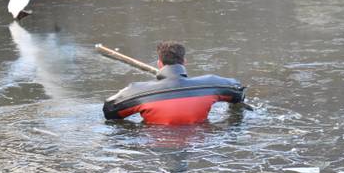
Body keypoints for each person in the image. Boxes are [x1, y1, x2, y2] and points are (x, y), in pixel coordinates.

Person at [103, 41, 246, 125]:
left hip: (156, 146)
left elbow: (109, 111)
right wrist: (234, 108)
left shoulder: (136, 91)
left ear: (159, 63)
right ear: (184, 62)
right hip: (200, 144)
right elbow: (238, 89)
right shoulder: (210, 84)